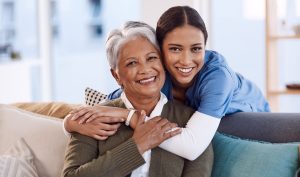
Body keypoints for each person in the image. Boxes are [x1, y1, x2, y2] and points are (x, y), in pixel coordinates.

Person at [65, 6, 270, 160]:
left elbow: (191, 147)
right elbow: (105, 105)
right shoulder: (157, 76)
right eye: (175, 49)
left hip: (252, 120)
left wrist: (129, 116)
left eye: (196, 48)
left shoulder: (217, 77)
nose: (186, 60)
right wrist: (68, 124)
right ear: (159, 50)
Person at [62, 21, 213, 177]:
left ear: (163, 62)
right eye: (132, 63)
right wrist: (137, 146)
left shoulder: (192, 124)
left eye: (151, 58)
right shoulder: (94, 117)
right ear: (116, 75)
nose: (145, 69)